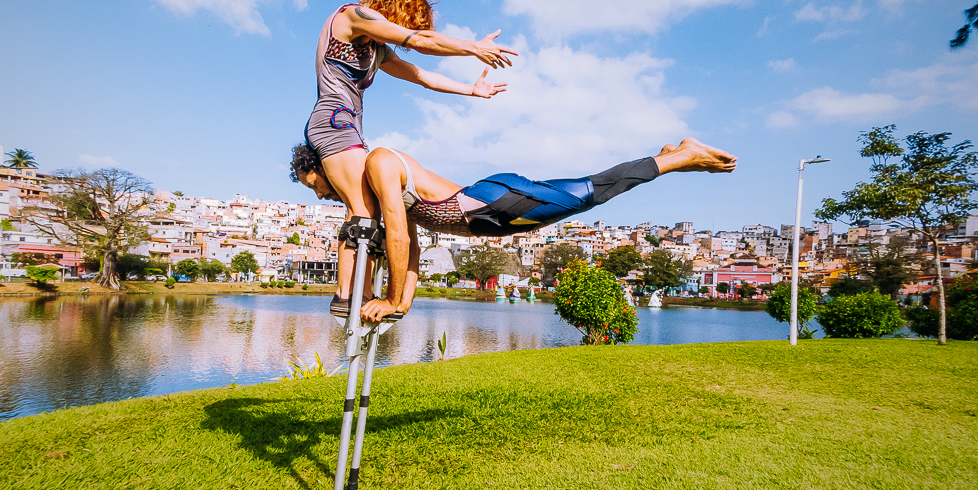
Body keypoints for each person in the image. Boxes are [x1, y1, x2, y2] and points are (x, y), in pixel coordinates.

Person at [288, 136, 737, 322]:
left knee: (590, 193)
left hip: (495, 204)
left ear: (329, 166)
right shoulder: (372, 188)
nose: (322, 196)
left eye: (317, 186)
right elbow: (413, 246)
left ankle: (680, 156)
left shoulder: (379, 163)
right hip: (490, 218)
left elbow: (402, 239)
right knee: (588, 194)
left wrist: (393, 300)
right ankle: (669, 156)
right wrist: (401, 302)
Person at [304, 0, 516, 315]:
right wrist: (473, 48)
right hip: (333, 121)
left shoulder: (376, 48)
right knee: (363, 208)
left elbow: (421, 76)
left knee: (368, 209)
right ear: (396, 8)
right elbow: (418, 41)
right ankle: (347, 296)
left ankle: (357, 294)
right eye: (407, 21)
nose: (405, 31)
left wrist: (471, 90)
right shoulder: (353, 16)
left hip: (349, 126)